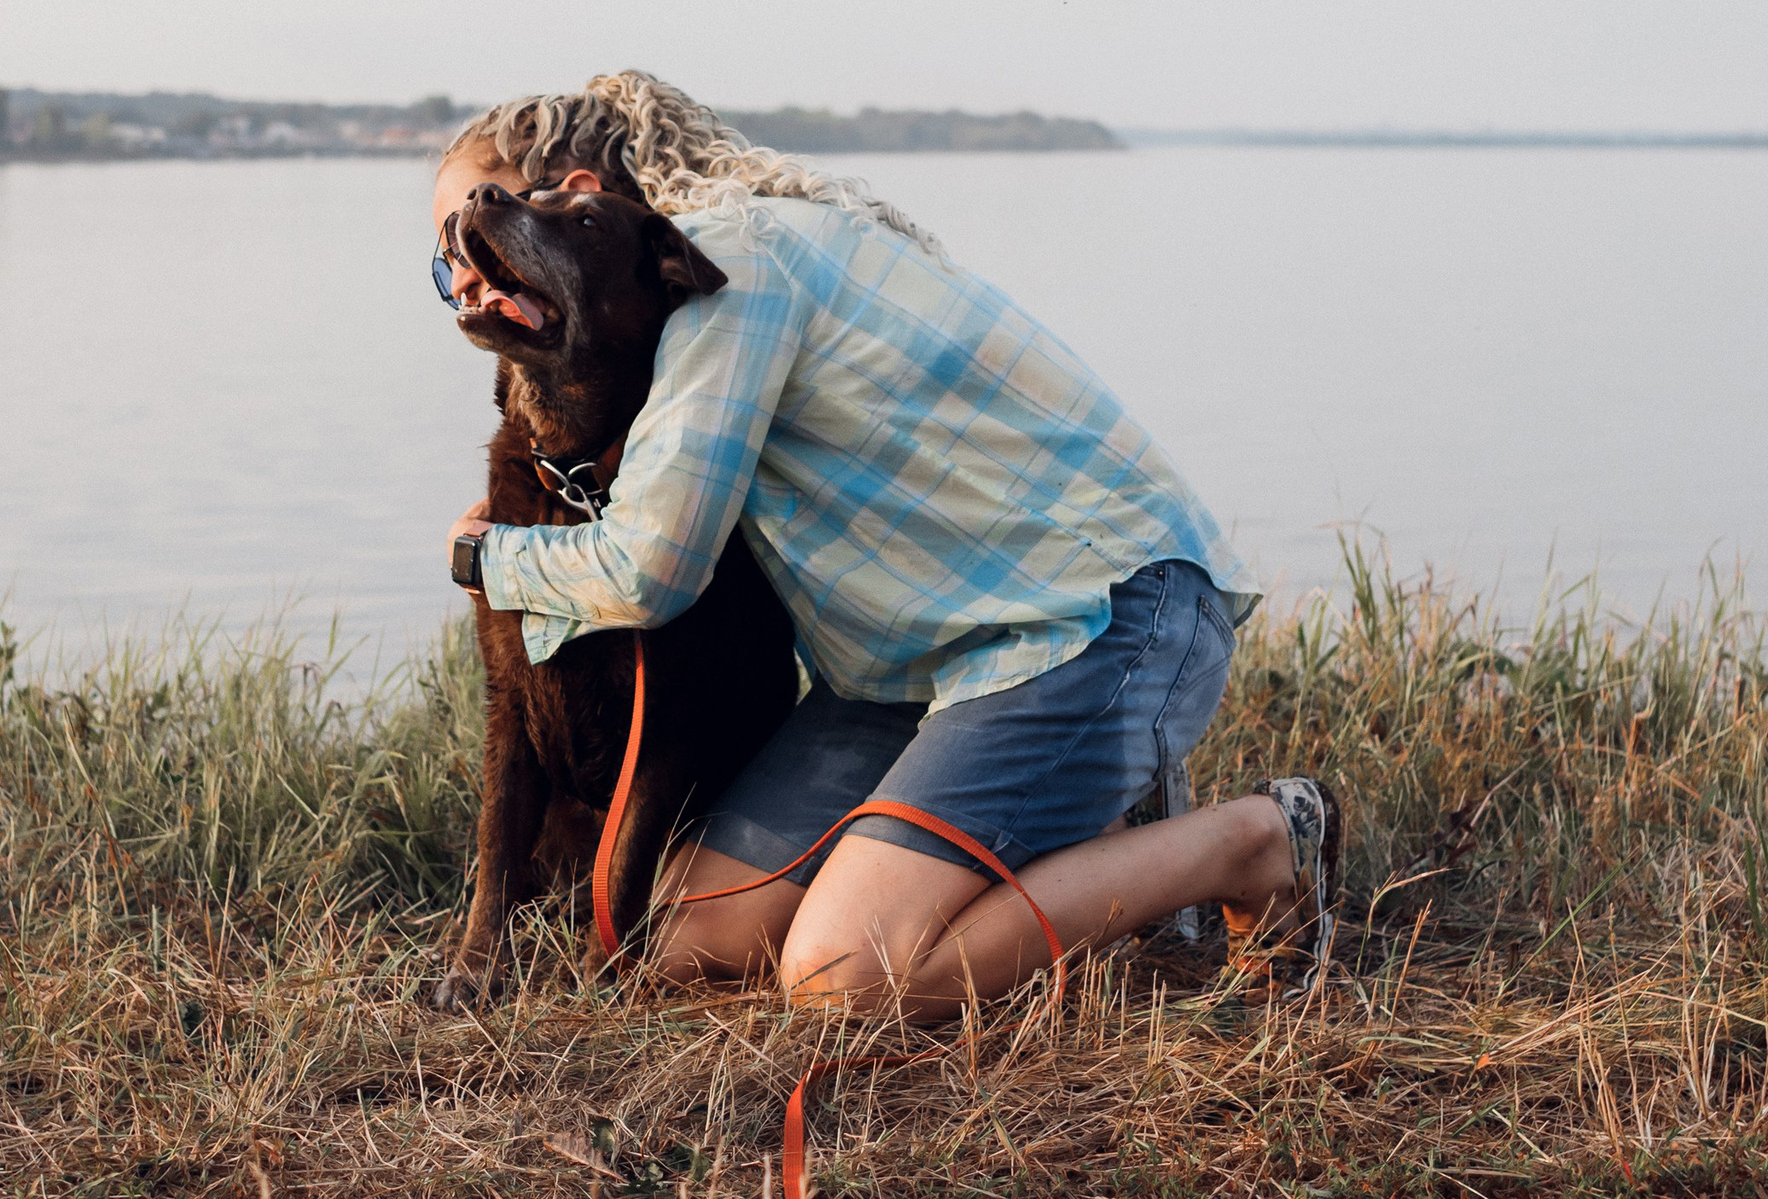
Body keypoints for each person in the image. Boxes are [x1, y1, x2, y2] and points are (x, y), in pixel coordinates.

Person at [432, 72, 1339, 1017]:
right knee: (689, 942)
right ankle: (1080, 822)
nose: (467, 268)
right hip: (912, 670)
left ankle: (1258, 839)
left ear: (579, 189)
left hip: (1097, 618)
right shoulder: (694, 289)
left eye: (482, 228)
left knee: (843, 975)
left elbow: (651, 568)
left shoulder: (732, 271)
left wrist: (485, 557)